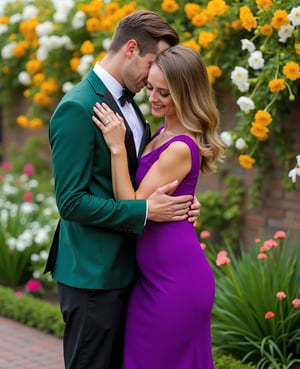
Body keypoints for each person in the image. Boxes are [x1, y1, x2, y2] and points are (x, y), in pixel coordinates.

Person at [44, 10, 201, 369]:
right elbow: (71, 202)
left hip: (130, 272)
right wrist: (146, 211)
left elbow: (141, 177)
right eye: (151, 63)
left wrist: (182, 201)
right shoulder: (77, 107)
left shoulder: (135, 108)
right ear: (131, 49)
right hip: (93, 277)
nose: (153, 77)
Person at [92, 45, 225, 369]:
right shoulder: (164, 131)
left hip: (176, 283)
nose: (152, 97)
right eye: (150, 87)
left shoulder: (181, 146)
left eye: (164, 92)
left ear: (185, 94)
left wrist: (117, 150)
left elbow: (131, 205)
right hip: (151, 280)